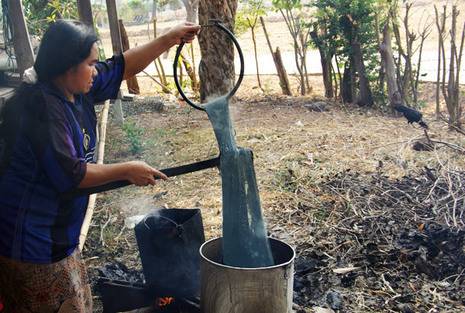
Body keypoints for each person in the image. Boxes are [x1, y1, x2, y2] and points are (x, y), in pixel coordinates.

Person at [0, 19, 200, 312]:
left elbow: (122, 67)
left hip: (59, 237)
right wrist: (127, 169)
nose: (97, 70)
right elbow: (72, 174)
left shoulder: (79, 87)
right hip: (32, 241)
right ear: (68, 65)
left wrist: (170, 38)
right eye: (91, 64)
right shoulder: (43, 107)